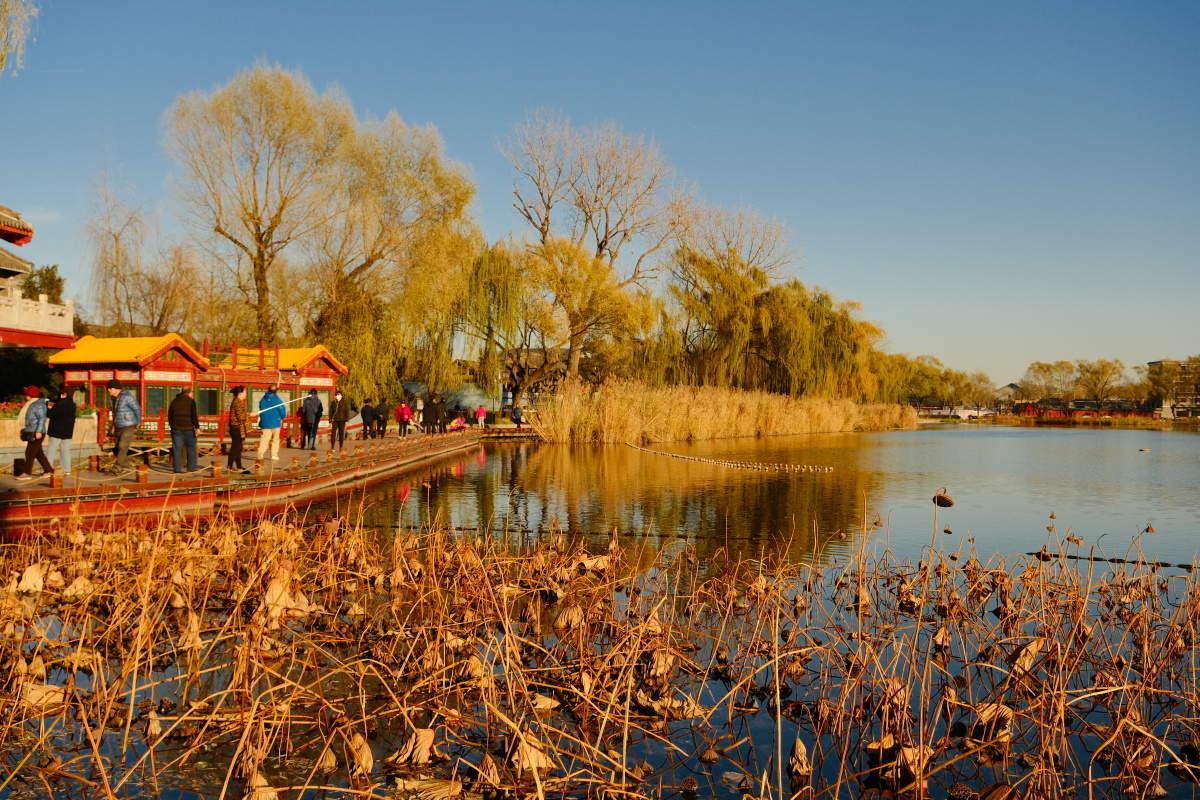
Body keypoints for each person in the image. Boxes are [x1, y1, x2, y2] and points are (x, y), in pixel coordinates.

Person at [15, 385, 51, 481]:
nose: (25, 395)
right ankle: (48, 470)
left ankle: (27, 472)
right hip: (32, 430)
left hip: (36, 432)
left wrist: (38, 431)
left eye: (26, 393)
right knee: (38, 453)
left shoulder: (38, 404)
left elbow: (41, 419)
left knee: (30, 453)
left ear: (30, 394)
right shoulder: (32, 404)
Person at [107, 379, 142, 476]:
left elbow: (137, 409)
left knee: (123, 446)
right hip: (119, 425)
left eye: (110, 388)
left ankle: (117, 466)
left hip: (128, 425)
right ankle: (127, 467)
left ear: (115, 388)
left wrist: (138, 421)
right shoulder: (113, 398)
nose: (108, 390)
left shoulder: (127, 397)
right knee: (117, 447)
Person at [45, 387, 77, 476]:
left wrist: (48, 408)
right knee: (65, 450)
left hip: (56, 430)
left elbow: (50, 414)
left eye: (62, 394)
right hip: (67, 431)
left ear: (64, 394)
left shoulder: (60, 404)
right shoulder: (72, 404)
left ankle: (47, 468)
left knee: (51, 450)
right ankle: (67, 469)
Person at [168, 386, 200, 474]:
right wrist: (197, 427)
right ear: (190, 392)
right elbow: (194, 416)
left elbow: (170, 416)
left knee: (177, 449)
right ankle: (191, 468)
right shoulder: (191, 402)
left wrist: (172, 426)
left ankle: (177, 469)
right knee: (191, 448)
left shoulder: (174, 402)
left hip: (176, 429)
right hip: (189, 429)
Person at [256, 385, 287, 462]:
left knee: (265, 439)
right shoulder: (277, 400)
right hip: (275, 422)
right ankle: (274, 454)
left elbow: (261, 408)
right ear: (276, 391)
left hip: (265, 421)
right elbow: (282, 410)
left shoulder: (263, 399)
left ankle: (261, 452)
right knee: (275, 440)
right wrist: (282, 417)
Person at [227, 385, 250, 472]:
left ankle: (239, 466)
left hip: (236, 427)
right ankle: (229, 467)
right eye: (245, 392)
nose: (245, 394)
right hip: (236, 428)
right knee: (235, 448)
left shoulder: (237, 401)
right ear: (240, 393)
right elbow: (241, 417)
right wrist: (250, 415)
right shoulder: (238, 402)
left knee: (238, 447)